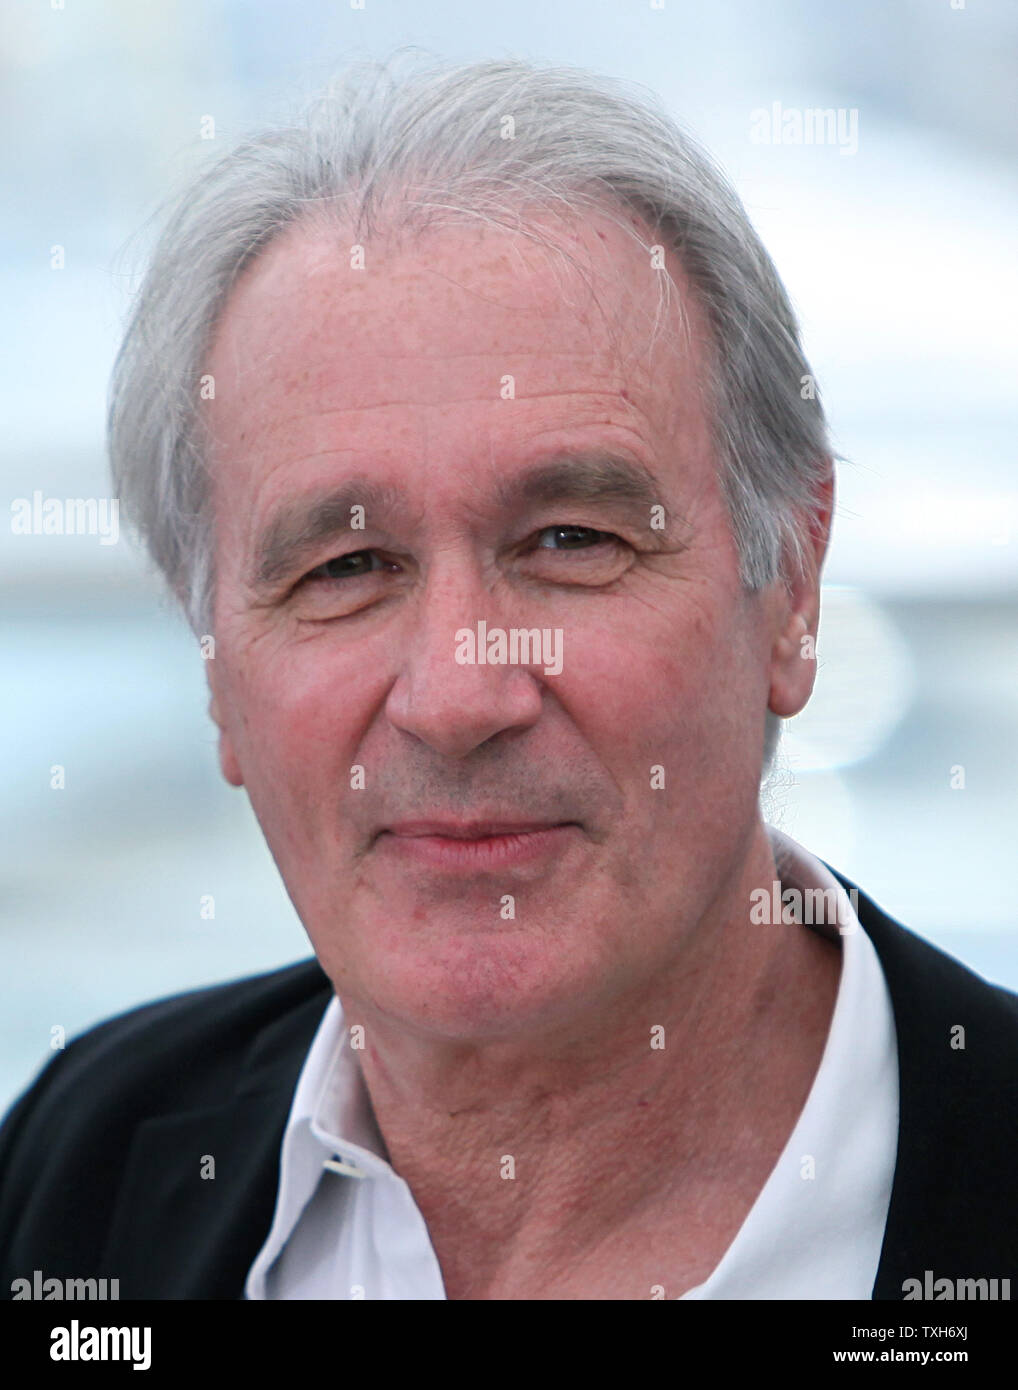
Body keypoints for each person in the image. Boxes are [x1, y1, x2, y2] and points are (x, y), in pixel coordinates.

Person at [2, 52, 1016, 1302]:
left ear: (791, 589)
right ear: (216, 663)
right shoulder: (75, 1175)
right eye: (346, 566)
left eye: (570, 543)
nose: (458, 695)